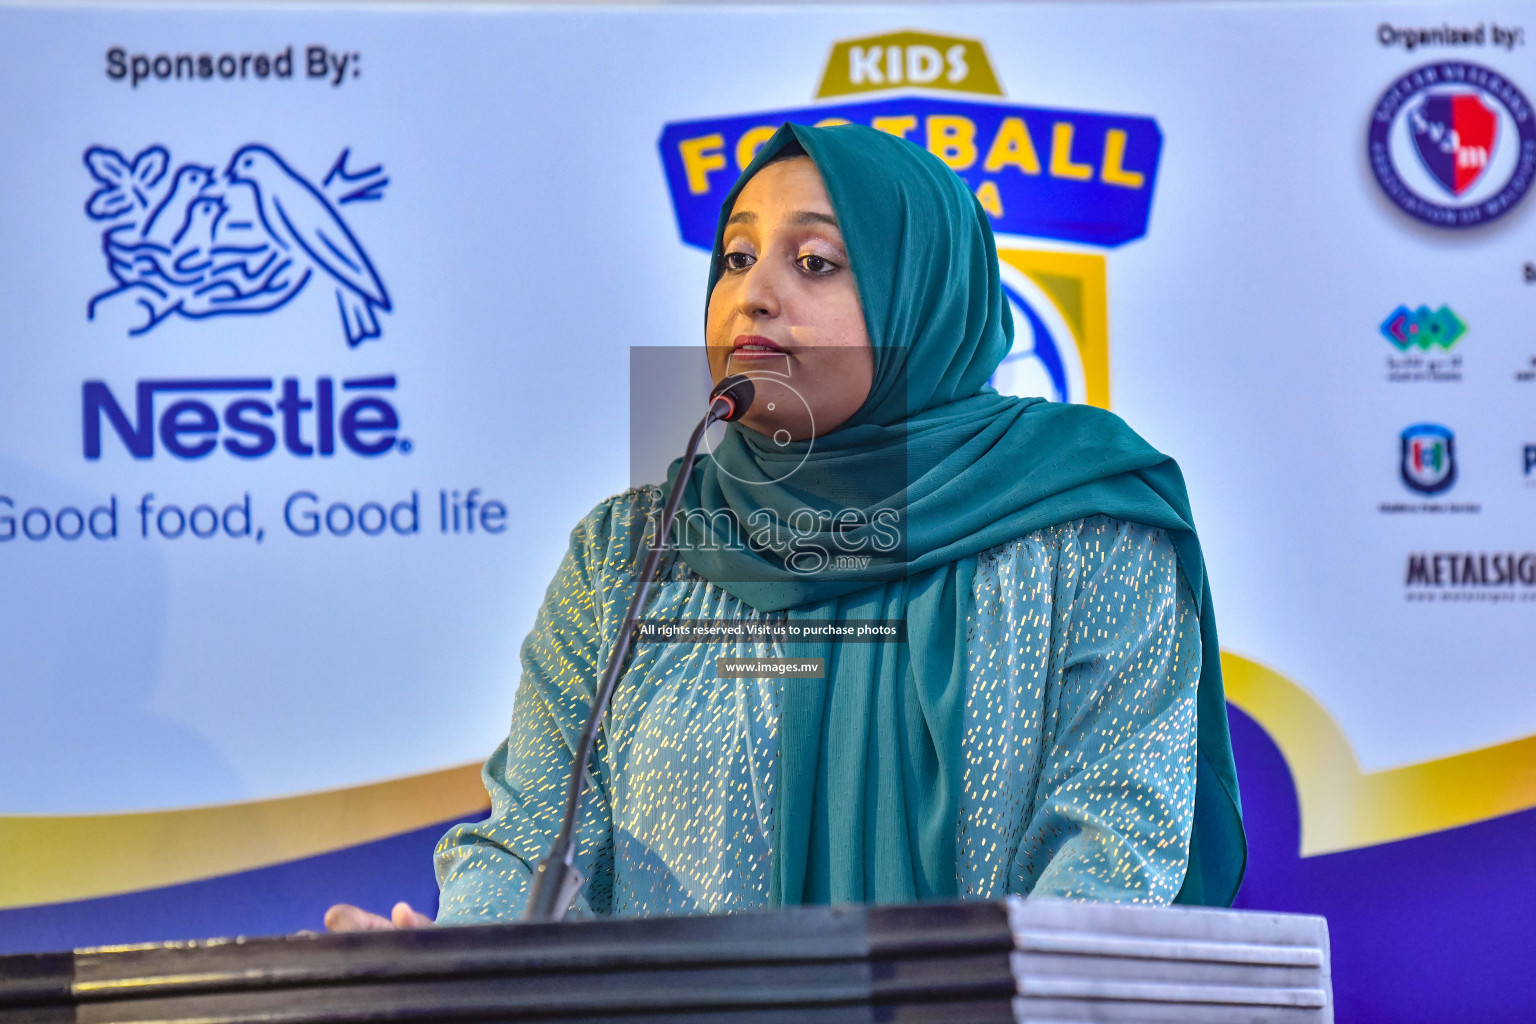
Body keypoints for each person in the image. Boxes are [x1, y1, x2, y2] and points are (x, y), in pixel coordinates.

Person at [325, 121, 1244, 932]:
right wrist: (454, 957)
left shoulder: (1083, 522)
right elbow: (530, 835)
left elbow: (1115, 847)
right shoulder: (627, 554)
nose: (753, 295)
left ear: (923, 300)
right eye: (735, 257)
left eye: (816, 263)